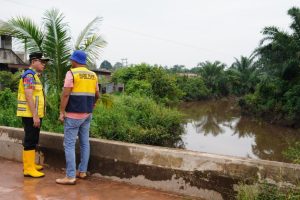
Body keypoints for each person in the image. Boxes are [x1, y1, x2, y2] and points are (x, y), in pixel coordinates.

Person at [56, 50, 99, 185]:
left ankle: (70, 176)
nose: (71, 62)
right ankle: (82, 171)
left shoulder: (71, 74)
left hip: (73, 115)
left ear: (75, 61)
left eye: (71, 60)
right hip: (87, 114)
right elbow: (97, 94)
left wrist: (62, 112)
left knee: (69, 144)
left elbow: (65, 95)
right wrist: (93, 105)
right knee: (85, 142)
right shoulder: (93, 75)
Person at [17, 52, 49, 178]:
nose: (44, 64)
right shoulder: (29, 75)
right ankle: (28, 168)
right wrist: (35, 116)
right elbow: (29, 95)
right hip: (30, 114)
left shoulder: (34, 76)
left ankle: (30, 164)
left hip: (33, 114)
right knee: (30, 139)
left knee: (33, 138)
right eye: (42, 62)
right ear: (34, 61)